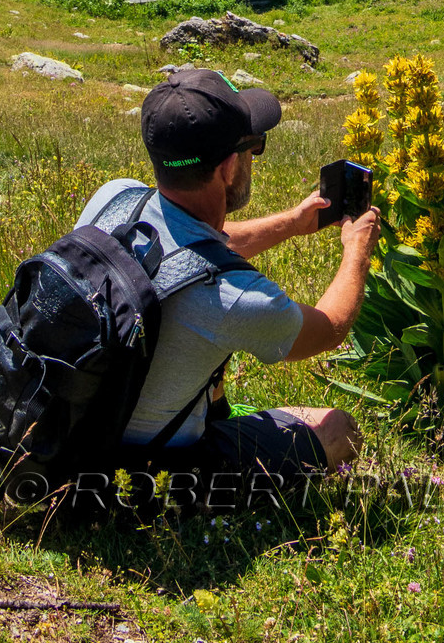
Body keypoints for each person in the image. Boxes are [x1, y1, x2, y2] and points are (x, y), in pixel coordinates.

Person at [76, 65, 380, 500]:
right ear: (227, 167)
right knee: (338, 429)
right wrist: (356, 249)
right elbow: (330, 328)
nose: (254, 158)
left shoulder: (116, 197)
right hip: (148, 472)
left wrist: (291, 224)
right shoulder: (234, 296)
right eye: (254, 148)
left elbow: (188, 243)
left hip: (72, 430)